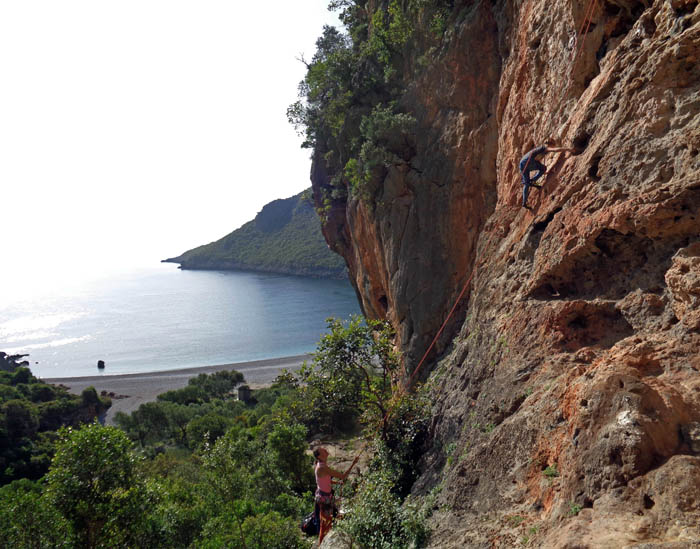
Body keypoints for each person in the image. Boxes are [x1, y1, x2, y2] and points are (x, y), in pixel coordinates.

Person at [519, 141, 574, 208]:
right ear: (550, 144)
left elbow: (536, 159)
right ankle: (533, 181)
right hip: (528, 162)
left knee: (526, 183)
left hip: (522, 164)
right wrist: (568, 149)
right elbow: (555, 150)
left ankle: (524, 202)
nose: (553, 147)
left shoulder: (538, 149)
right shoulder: (544, 147)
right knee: (543, 169)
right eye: (553, 145)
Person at [313, 446, 349, 544]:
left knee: (326, 522)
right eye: (323, 450)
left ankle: (323, 543)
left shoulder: (321, 465)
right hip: (325, 499)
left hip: (323, 496)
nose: (325, 450)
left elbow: (324, 480)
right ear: (320, 456)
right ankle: (322, 544)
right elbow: (343, 476)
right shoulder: (323, 467)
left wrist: (337, 483)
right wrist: (353, 463)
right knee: (325, 524)